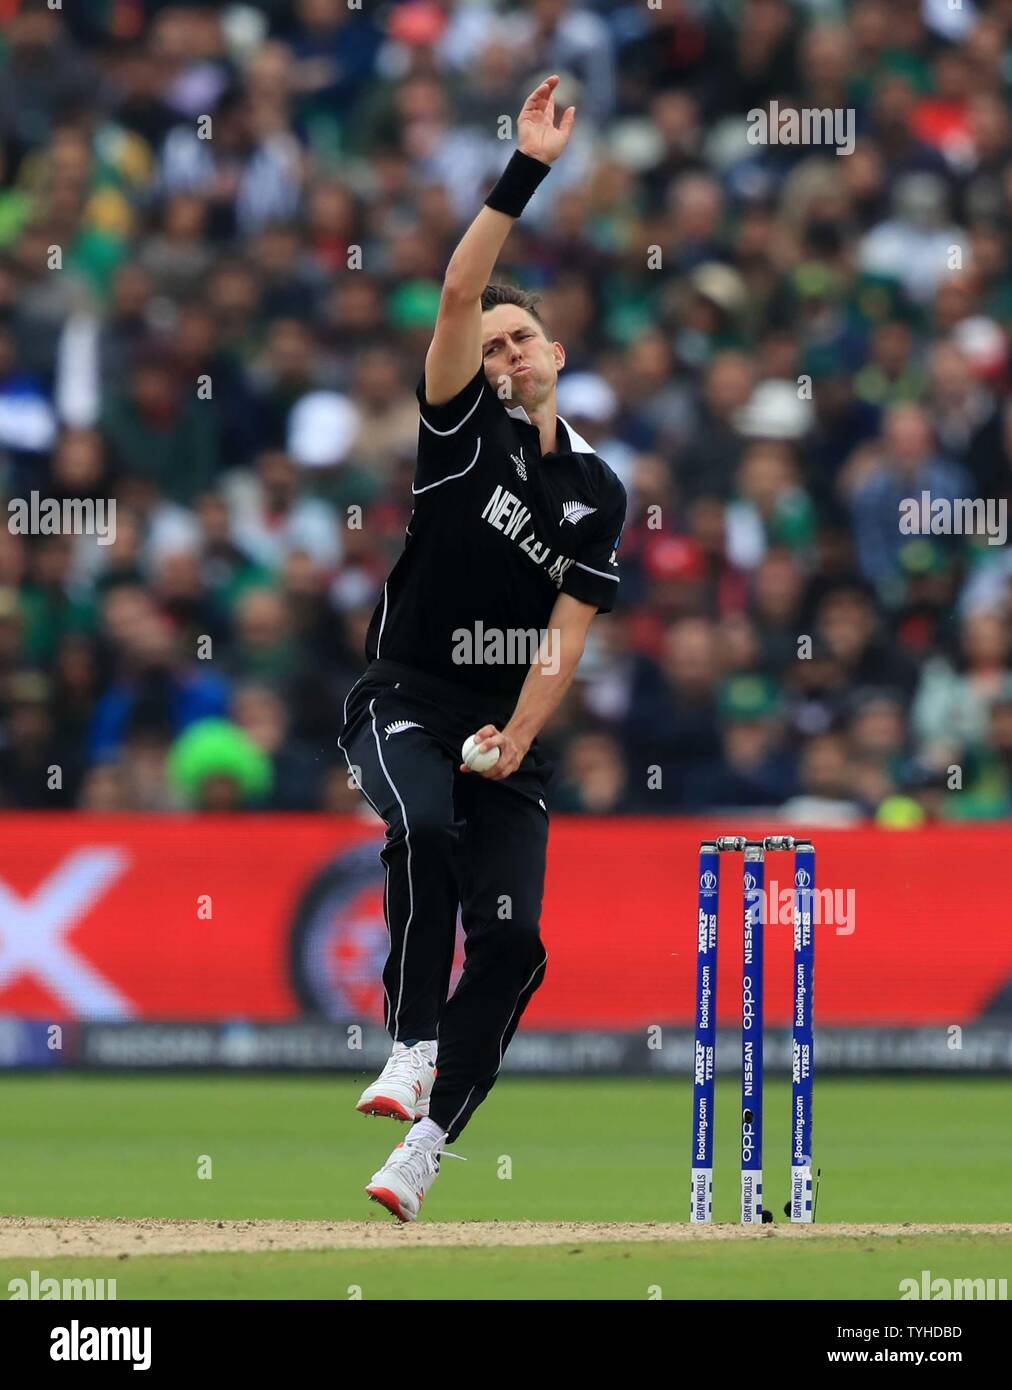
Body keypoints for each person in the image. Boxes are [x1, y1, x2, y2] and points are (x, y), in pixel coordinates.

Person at [338, 77, 626, 1222]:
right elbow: (461, 285)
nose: (505, 351)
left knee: (513, 950)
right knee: (423, 822)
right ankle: (408, 1047)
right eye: (491, 341)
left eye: (521, 336)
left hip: (506, 729)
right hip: (403, 694)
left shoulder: (595, 491)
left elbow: (565, 637)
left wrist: (520, 734)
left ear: (555, 346)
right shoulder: (458, 427)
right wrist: (526, 171)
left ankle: (425, 1147)